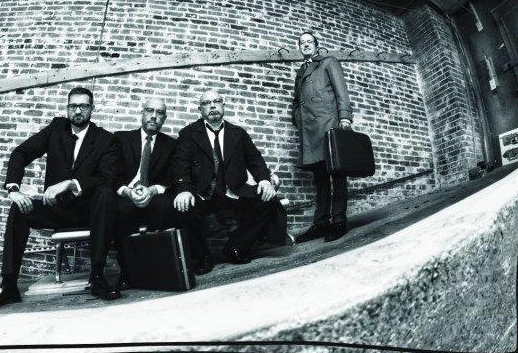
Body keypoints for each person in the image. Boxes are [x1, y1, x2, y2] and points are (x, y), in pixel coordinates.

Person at [0, 86, 121, 309]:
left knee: (105, 193)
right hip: (57, 209)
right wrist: (13, 189)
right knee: (19, 208)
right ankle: (8, 285)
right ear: (67, 108)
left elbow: (108, 178)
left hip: (89, 212)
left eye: (83, 106)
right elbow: (21, 153)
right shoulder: (57, 128)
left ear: (92, 109)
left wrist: (71, 183)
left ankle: (97, 277)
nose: (78, 111)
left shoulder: (105, 139)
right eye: (73, 106)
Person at [173, 90, 277, 274]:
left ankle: (236, 246)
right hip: (203, 193)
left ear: (223, 105)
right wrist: (184, 189)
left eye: (217, 101)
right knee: (182, 209)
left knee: (268, 200)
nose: (212, 105)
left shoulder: (238, 133)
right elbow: (181, 164)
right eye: (206, 103)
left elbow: (254, 159)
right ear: (200, 109)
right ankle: (202, 256)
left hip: (233, 191)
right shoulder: (188, 133)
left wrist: (264, 180)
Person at [291, 32, 354, 243]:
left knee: (337, 172)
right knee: (319, 177)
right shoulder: (301, 71)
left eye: (309, 42)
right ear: (299, 47)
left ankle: (339, 220)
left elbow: (341, 91)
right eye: (302, 43)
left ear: (316, 46)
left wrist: (344, 117)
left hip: (328, 123)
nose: (306, 45)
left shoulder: (328, 62)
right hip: (310, 130)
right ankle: (321, 223)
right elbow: (296, 101)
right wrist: (297, 118)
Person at [112, 98, 178, 289]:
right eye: (150, 110)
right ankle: (127, 273)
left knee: (165, 206)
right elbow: (111, 172)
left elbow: (173, 177)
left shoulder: (171, 145)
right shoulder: (121, 138)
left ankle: (155, 270)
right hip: (126, 193)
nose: (154, 116)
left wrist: (153, 190)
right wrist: (127, 191)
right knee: (121, 211)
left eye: (160, 113)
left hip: (154, 195)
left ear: (164, 118)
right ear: (142, 113)